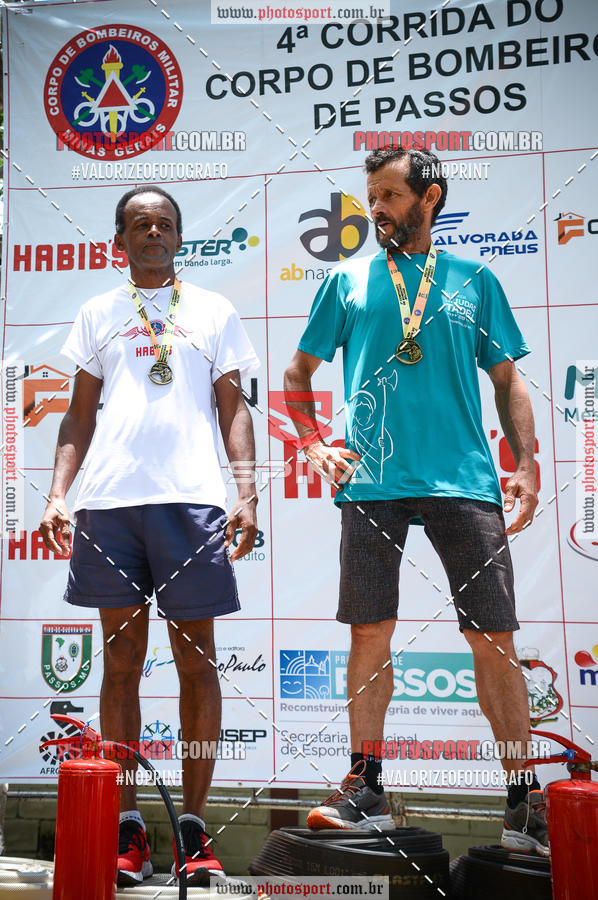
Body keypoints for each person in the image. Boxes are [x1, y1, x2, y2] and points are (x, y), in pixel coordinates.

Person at [283, 149, 548, 855]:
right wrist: (313, 443)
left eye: (390, 195)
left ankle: (523, 801)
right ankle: (366, 786)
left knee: (492, 638)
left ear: (428, 198)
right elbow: (297, 373)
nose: (376, 208)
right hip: (372, 481)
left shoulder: (474, 279)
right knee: (369, 632)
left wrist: (526, 464)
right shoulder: (345, 280)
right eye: (370, 195)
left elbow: (509, 380)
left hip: (464, 480)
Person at [40, 186, 259, 885]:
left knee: (197, 664)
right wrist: (57, 494)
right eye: (141, 224)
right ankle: (127, 826)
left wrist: (246, 491)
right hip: (109, 505)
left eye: (164, 223)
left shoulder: (214, 310)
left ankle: (193, 829)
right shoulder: (99, 312)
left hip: (190, 502)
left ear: (180, 237)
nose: (154, 232)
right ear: (120, 241)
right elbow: (78, 416)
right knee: (122, 664)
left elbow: (234, 411)